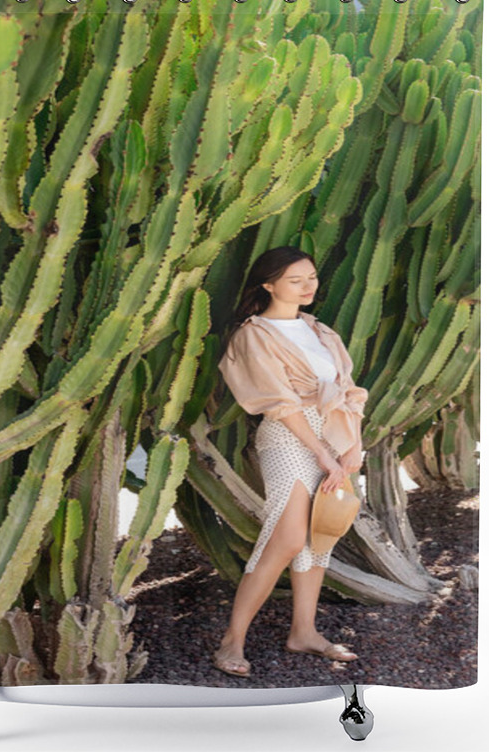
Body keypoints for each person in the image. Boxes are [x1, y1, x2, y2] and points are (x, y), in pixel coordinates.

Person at [213, 246, 369, 678]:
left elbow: (347, 390)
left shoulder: (320, 331)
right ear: (269, 284)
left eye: (312, 277)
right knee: (285, 536)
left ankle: (304, 631)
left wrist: (351, 446)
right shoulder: (254, 335)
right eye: (295, 279)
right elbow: (278, 403)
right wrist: (321, 452)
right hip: (287, 439)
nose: (308, 286)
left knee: (320, 535)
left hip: (332, 439)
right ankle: (233, 640)